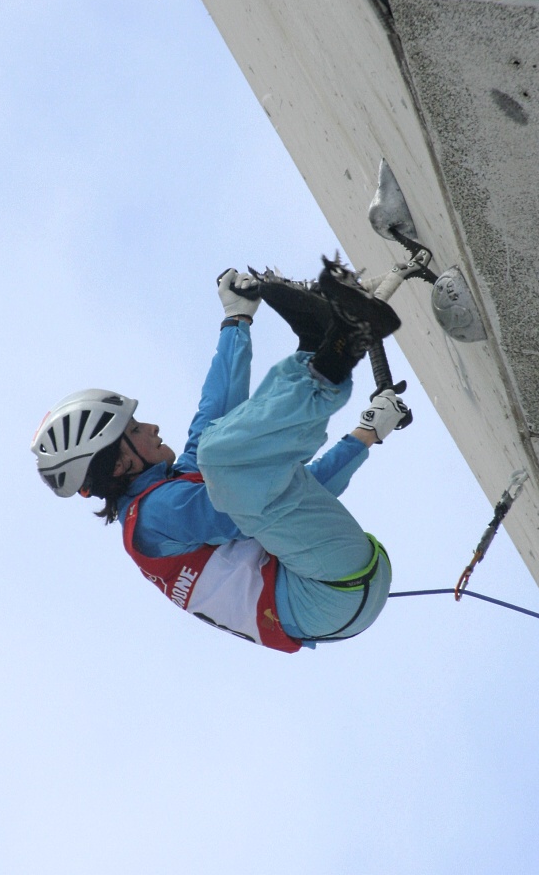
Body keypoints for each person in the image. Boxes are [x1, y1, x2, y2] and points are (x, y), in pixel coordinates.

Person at [31, 256, 409, 653]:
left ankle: (321, 351)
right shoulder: (156, 517)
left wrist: (236, 319)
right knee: (224, 459)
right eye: (136, 430)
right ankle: (329, 356)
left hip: (346, 578)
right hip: (325, 590)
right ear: (121, 463)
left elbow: (214, 413)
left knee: (222, 450)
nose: (152, 427)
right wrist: (361, 438)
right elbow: (263, 489)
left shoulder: (171, 489)